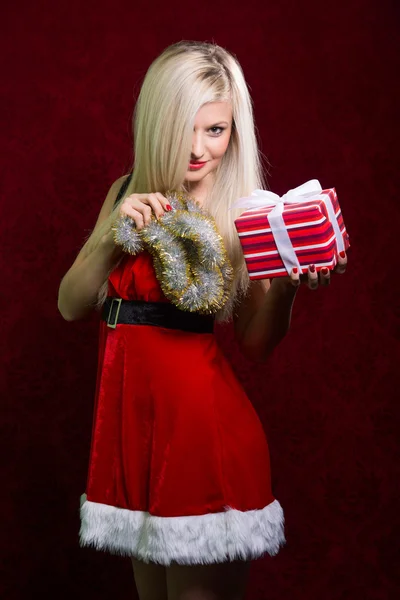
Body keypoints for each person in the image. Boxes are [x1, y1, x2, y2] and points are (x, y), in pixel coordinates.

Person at [58, 40, 347, 600]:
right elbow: (71, 305)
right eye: (185, 127)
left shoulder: (247, 210)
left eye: (214, 130)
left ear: (233, 129)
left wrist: (286, 281)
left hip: (201, 435)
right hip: (131, 434)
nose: (198, 148)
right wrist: (113, 234)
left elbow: (256, 345)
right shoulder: (125, 192)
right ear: (155, 121)